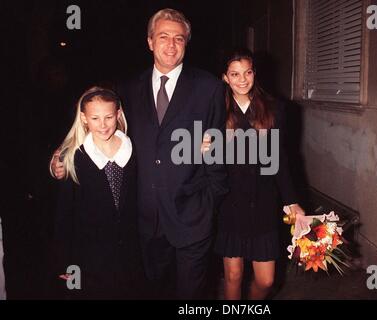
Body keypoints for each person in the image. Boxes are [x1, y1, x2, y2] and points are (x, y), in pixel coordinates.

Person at [52, 9, 227, 299]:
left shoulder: (209, 87)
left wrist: (211, 201)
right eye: (163, 37)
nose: (171, 45)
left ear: (186, 43)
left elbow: (217, 145)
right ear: (149, 42)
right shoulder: (128, 88)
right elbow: (97, 117)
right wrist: (61, 153)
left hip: (192, 217)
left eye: (179, 38)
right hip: (143, 223)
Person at [210, 48, 308, 300]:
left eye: (247, 72)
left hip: (262, 201)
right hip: (229, 202)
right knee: (233, 276)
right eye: (234, 74)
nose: (242, 79)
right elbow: (208, 157)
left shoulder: (275, 108)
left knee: (266, 281)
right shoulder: (216, 109)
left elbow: (280, 159)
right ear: (225, 77)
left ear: (255, 73)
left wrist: (291, 200)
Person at [52, 86, 144, 299]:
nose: (103, 125)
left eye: (109, 117)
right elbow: (64, 216)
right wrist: (65, 263)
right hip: (88, 257)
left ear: (118, 115)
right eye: (95, 118)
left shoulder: (133, 148)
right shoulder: (74, 158)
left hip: (130, 256)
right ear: (84, 119)